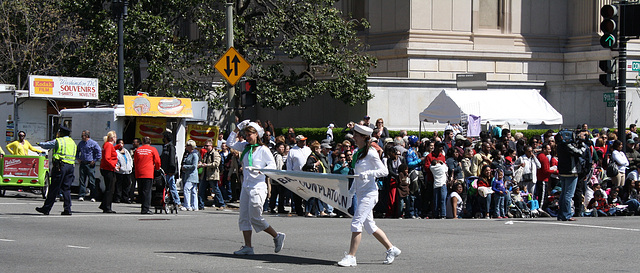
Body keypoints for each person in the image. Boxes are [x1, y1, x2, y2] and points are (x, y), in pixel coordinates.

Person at [337, 124, 400, 267]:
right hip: (360, 193)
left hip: (370, 193)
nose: (354, 137)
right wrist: (351, 192)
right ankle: (391, 249)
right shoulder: (358, 153)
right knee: (370, 226)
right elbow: (357, 175)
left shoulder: (371, 152)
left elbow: (384, 171)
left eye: (356, 135)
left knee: (356, 222)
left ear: (364, 138)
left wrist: (369, 173)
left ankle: (351, 256)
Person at [227, 120, 285, 256]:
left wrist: (260, 170)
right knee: (244, 217)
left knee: (255, 217)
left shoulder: (263, 149)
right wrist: (237, 128)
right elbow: (230, 143)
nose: (247, 137)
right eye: (246, 135)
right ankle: (248, 246)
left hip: (258, 186)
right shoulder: (246, 148)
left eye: (250, 135)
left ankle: (277, 236)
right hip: (246, 186)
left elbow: (272, 165)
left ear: (257, 135)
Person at [35, 126, 76, 216]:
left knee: (54, 188)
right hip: (71, 167)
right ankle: (67, 209)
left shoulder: (59, 141)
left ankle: (46, 208)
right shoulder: (72, 142)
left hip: (60, 166)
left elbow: (47, 145)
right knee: (66, 189)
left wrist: (38, 143)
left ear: (61, 133)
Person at [555, 130, 586, 221]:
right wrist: (583, 145)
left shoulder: (560, 146)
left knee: (564, 194)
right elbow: (580, 153)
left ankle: (561, 214)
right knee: (568, 195)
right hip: (571, 172)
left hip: (563, 172)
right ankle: (566, 215)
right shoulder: (567, 146)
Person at [134, 136, 161, 214]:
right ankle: (145, 208)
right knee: (147, 191)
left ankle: (143, 206)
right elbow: (157, 161)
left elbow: (135, 161)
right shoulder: (153, 149)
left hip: (139, 173)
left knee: (141, 191)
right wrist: (157, 168)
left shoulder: (138, 150)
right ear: (150, 142)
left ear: (142, 142)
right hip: (148, 173)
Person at [286, 134, 311, 216]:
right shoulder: (292, 151)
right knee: (297, 193)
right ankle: (298, 210)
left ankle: (309, 210)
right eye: (302, 141)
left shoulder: (308, 149)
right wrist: (290, 174)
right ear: (298, 142)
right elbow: (289, 164)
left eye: (305, 140)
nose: (304, 142)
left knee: (308, 192)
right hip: (297, 174)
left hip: (307, 174)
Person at [198, 139, 225, 210]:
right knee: (201, 190)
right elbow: (204, 162)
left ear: (211, 146)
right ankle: (201, 205)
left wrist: (207, 165)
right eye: (205, 146)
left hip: (212, 175)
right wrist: (201, 164)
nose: (205, 147)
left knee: (216, 189)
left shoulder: (215, 153)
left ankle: (221, 204)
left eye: (207, 146)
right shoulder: (206, 154)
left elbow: (216, 164)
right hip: (205, 174)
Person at [76, 130, 101, 202]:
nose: (81, 137)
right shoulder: (81, 143)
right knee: (82, 179)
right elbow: (77, 151)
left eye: (83, 135)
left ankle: (93, 196)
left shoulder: (93, 143)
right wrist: (78, 158)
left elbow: (99, 152)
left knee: (91, 180)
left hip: (90, 164)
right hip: (83, 163)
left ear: (87, 136)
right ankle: (81, 195)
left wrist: (95, 160)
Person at [161, 132, 182, 209]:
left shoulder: (171, 147)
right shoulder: (165, 147)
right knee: (165, 187)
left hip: (169, 171)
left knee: (172, 186)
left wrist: (172, 170)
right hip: (164, 171)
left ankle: (177, 202)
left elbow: (172, 159)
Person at [99, 130, 118, 213]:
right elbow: (107, 158)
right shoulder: (108, 145)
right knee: (110, 188)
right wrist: (114, 166)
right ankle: (107, 207)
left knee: (110, 187)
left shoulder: (108, 145)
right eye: (115, 137)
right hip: (108, 169)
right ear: (112, 138)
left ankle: (104, 204)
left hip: (107, 168)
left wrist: (117, 147)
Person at [181, 139, 200, 211]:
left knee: (186, 189)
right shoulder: (189, 154)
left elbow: (194, 166)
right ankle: (194, 206)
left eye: (187, 145)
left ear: (191, 146)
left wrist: (185, 167)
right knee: (193, 191)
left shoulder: (194, 155)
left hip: (192, 175)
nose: (186, 147)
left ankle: (187, 205)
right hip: (189, 175)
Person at [114, 139, 133, 203]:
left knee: (127, 185)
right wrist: (118, 166)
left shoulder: (126, 151)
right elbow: (115, 160)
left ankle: (125, 198)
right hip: (120, 171)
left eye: (122, 143)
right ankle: (118, 198)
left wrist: (130, 167)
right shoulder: (116, 152)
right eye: (119, 143)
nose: (121, 144)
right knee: (118, 185)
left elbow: (130, 159)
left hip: (127, 171)